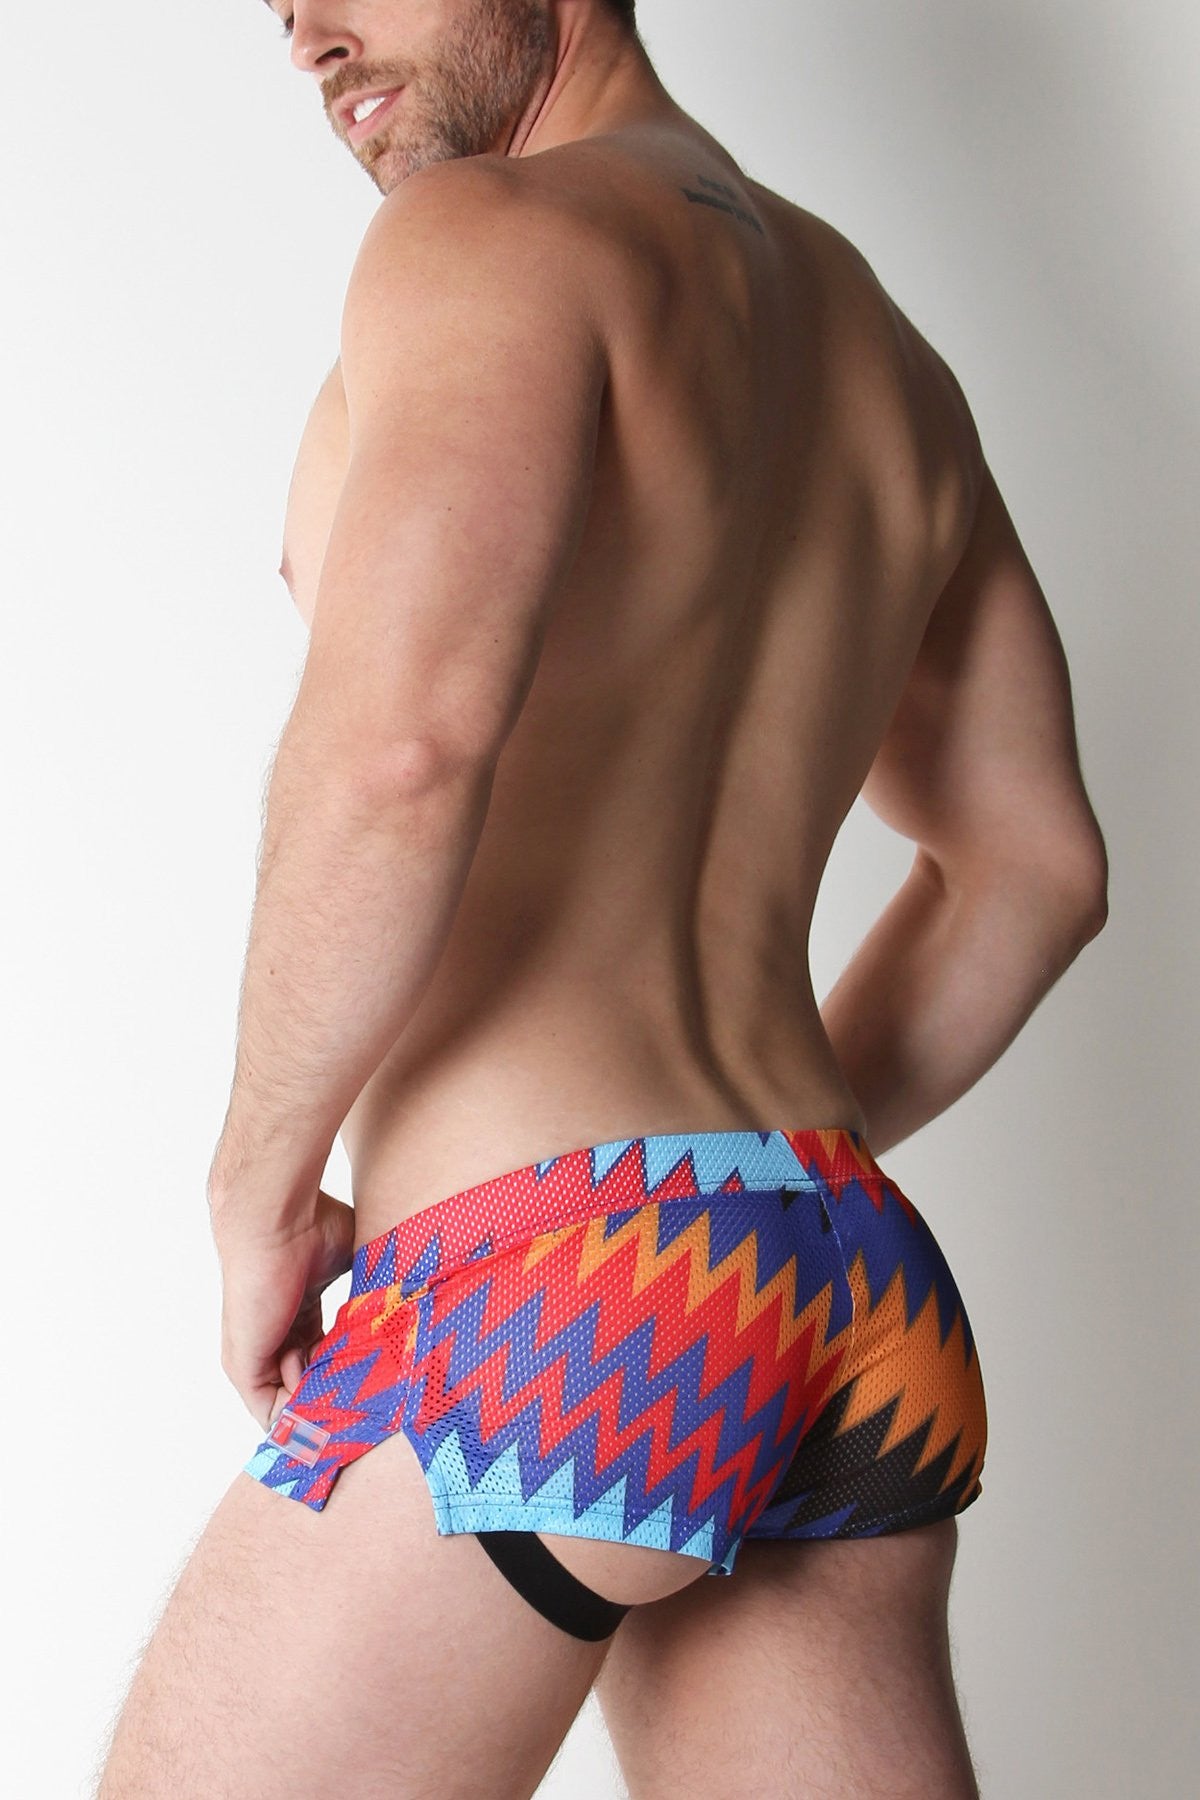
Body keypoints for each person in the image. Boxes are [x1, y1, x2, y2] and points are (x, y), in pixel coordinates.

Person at [96, 1, 1108, 1794]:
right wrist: (731, 1199)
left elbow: (401, 750)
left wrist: (258, 1192)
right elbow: (1036, 870)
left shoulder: (486, 242)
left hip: (554, 1284)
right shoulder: (882, 351)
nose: (309, 35)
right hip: (847, 1289)